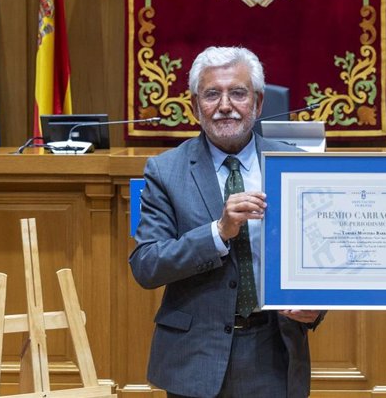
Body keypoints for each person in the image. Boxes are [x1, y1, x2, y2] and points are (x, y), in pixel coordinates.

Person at [129, 46, 324, 398]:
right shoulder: (165, 171)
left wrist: (316, 305)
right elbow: (146, 265)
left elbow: (322, 257)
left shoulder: (294, 165)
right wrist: (217, 233)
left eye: (237, 93)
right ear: (194, 106)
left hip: (274, 354)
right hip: (194, 358)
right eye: (212, 94)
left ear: (258, 103)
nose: (224, 106)